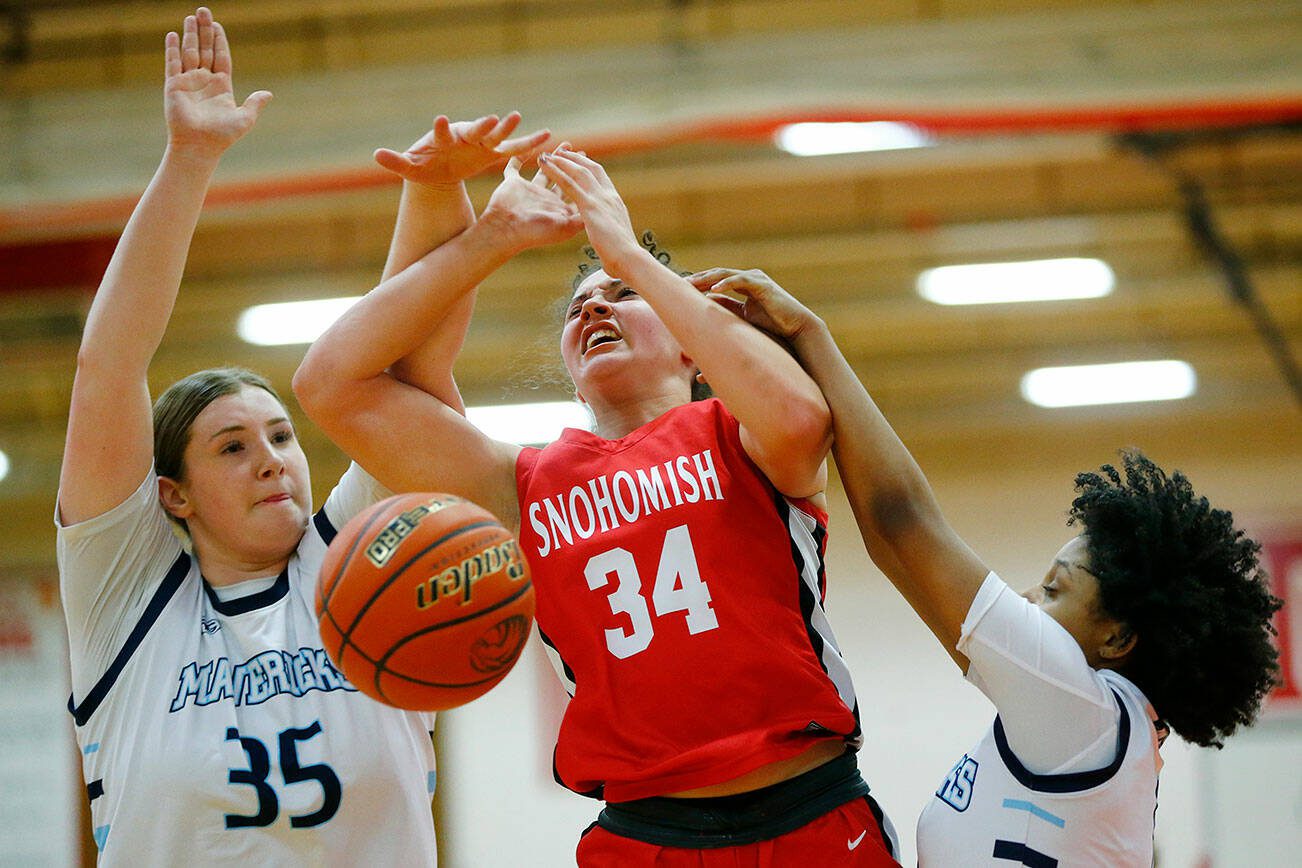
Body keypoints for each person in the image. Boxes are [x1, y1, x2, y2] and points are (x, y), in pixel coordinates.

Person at [292, 149, 901, 865]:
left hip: (808, 811)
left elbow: (805, 418)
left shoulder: (743, 437)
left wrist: (632, 255)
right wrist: (489, 238)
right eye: (581, 304)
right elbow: (331, 382)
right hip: (644, 836)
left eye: (624, 295)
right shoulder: (520, 484)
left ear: (691, 344)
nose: (595, 306)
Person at [56, 7, 551, 864]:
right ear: (171, 494)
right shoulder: (126, 598)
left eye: (282, 436)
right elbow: (108, 364)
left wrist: (435, 186)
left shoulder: (362, 563)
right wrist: (190, 160)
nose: (273, 462)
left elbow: (401, 376)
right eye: (232, 447)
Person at [684, 268, 1283, 866]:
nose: (1026, 597)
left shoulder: (1082, 714)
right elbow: (895, 545)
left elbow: (901, 524)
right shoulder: (1100, 730)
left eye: (1054, 590)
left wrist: (811, 337)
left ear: (1118, 636)